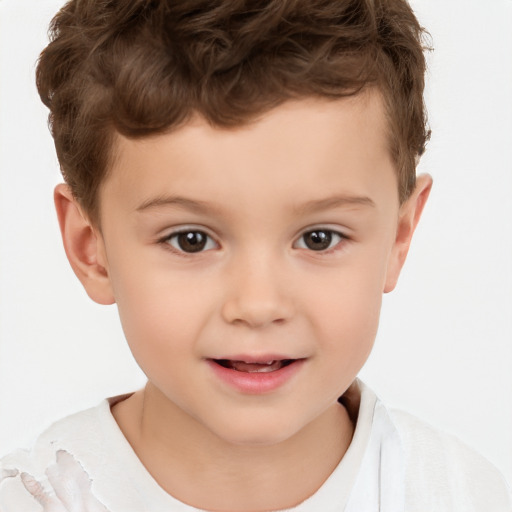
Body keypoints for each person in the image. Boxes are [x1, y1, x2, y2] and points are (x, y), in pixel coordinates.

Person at [0, 0, 510, 510]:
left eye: (319, 238)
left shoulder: (461, 496)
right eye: (190, 239)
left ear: (399, 238)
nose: (258, 304)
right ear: (92, 249)